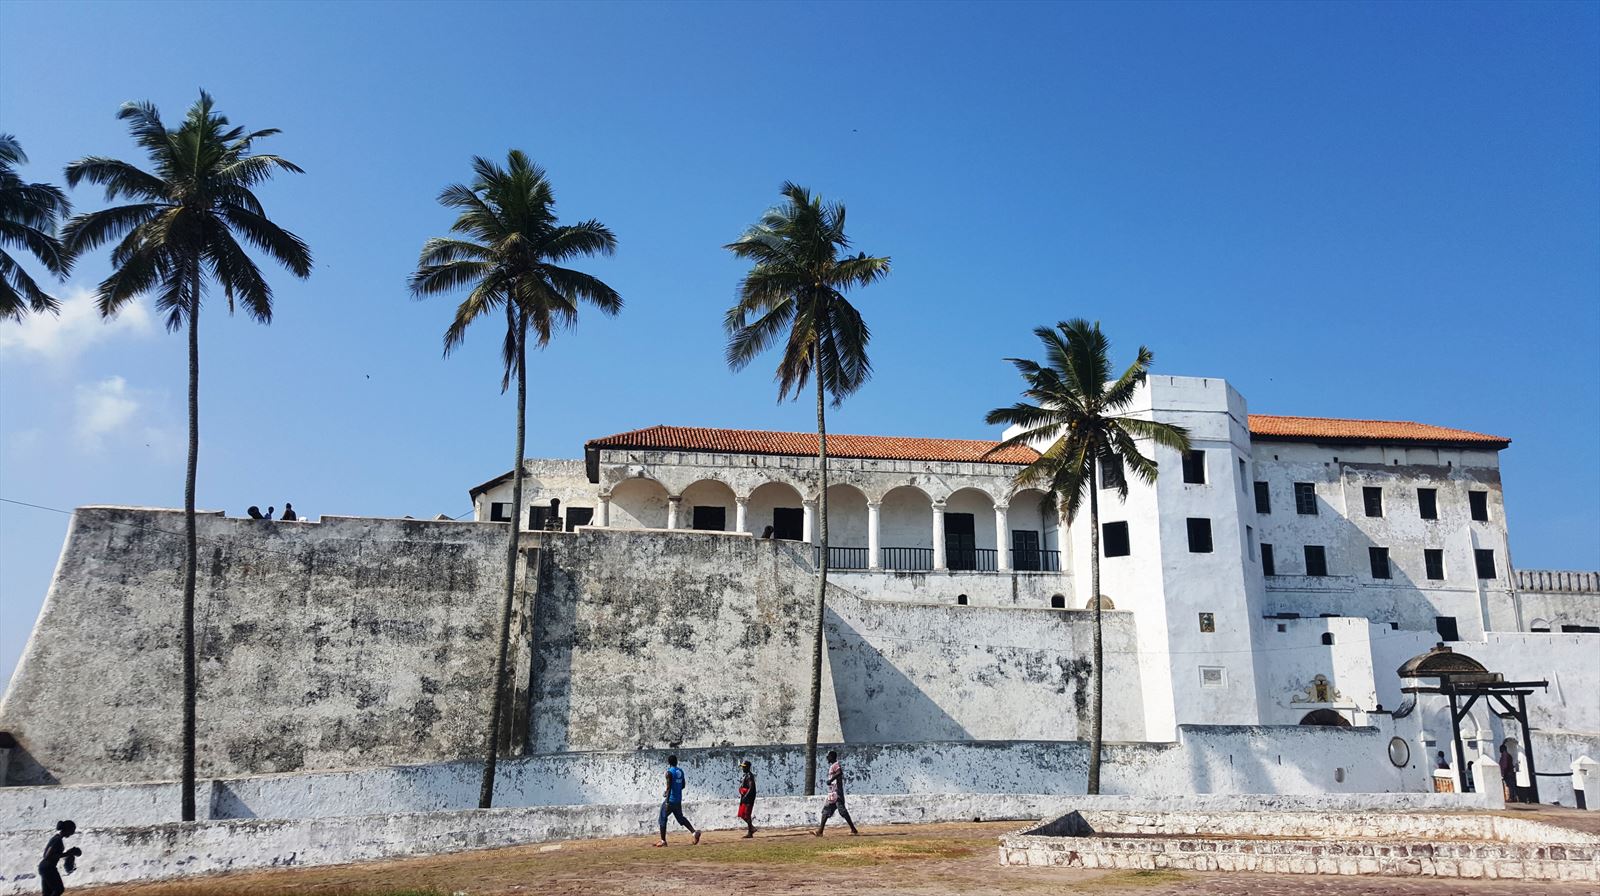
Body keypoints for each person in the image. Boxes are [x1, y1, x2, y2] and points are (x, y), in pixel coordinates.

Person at [655, 754, 700, 847]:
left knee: (662, 818)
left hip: (670, 800)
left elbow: (669, 787)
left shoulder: (669, 773)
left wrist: (667, 800)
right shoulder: (681, 771)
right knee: (680, 818)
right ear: (676, 762)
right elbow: (683, 785)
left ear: (669, 763)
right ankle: (694, 832)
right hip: (678, 800)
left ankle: (663, 841)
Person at [814, 749, 858, 837]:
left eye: (828, 756)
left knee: (842, 811)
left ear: (832, 757)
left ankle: (853, 829)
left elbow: (839, 772)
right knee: (826, 811)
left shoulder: (835, 765)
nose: (827, 758)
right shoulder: (832, 766)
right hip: (832, 793)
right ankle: (820, 831)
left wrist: (830, 780)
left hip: (837, 792)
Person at [38, 819, 80, 896]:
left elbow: (51, 854)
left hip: (45, 867)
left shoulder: (57, 838)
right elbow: (47, 856)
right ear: (67, 829)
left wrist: (67, 853)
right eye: (72, 830)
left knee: (47, 893)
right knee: (59, 889)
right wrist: (67, 853)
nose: (72, 833)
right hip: (48, 867)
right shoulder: (57, 840)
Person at [737, 760, 757, 838]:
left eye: (744, 767)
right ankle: (751, 828)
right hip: (744, 796)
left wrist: (746, 796)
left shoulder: (749, 776)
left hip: (748, 798)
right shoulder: (745, 775)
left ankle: (750, 832)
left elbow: (751, 787)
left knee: (747, 815)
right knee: (742, 814)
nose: (743, 768)